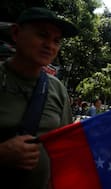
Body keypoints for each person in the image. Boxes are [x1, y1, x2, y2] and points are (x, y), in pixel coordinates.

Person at [0, 7, 78, 189]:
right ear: (16, 33)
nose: (50, 45)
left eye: (57, 41)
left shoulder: (57, 89)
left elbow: (66, 149)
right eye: (42, 35)